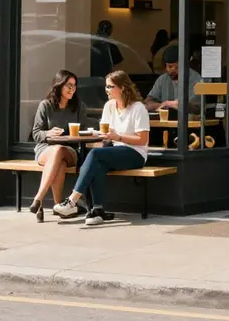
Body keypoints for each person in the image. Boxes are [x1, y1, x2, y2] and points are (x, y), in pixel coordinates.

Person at [53, 70, 149, 226]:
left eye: (110, 87)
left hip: (135, 153)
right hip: (113, 150)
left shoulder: (138, 108)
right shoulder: (109, 106)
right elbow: (106, 134)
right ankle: (97, 211)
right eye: (106, 87)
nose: (107, 90)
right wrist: (101, 137)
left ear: (122, 88)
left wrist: (118, 137)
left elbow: (143, 140)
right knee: (96, 161)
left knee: (96, 154)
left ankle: (72, 201)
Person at [30, 70, 88, 222]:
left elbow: (83, 131)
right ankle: (58, 206)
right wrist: (48, 133)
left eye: (74, 86)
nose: (72, 89)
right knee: (58, 158)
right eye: (68, 85)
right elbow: (36, 133)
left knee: (60, 150)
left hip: (70, 150)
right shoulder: (46, 105)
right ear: (59, 85)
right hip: (45, 150)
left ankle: (38, 198)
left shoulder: (79, 106)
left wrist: (72, 135)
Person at [144, 44, 202, 114]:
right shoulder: (162, 79)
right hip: (166, 122)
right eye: (170, 66)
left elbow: (196, 107)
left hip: (189, 122)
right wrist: (163, 105)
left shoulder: (195, 78)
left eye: (177, 67)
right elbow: (147, 103)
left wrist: (176, 104)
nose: (173, 70)